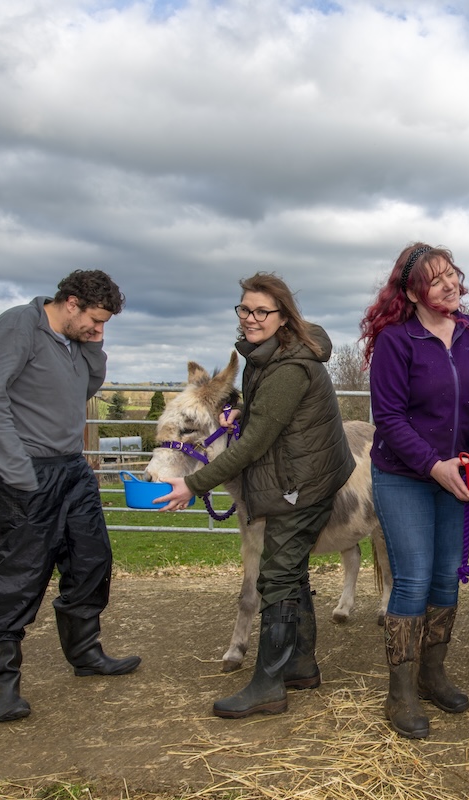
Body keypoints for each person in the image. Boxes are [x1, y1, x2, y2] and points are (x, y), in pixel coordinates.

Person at [156, 273, 355, 719]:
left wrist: (193, 484)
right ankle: (300, 666)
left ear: (283, 316)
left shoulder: (286, 365)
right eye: (244, 309)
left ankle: (268, 685)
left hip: (302, 481)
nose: (250, 319)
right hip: (305, 471)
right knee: (291, 571)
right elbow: (269, 411)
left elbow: (257, 440)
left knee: (278, 577)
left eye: (262, 311)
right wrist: (240, 411)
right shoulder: (271, 354)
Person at [0, 269, 137, 723]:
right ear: (70, 302)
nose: (99, 331)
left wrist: (91, 344)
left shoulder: (75, 343)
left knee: (91, 560)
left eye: (105, 324)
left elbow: (85, 388)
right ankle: (6, 685)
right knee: (19, 572)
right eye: (95, 321)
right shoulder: (17, 326)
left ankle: (86, 655)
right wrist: (17, 472)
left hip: (70, 467)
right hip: (23, 470)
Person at [358, 243, 469, 739]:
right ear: (412, 291)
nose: (449, 284)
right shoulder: (397, 341)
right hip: (405, 474)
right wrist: (434, 465)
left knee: (445, 576)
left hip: (461, 472)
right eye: (435, 279)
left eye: (452, 275)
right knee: (414, 578)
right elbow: (390, 419)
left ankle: (433, 673)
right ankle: (399, 694)